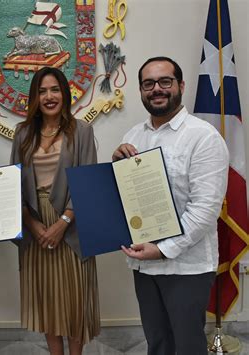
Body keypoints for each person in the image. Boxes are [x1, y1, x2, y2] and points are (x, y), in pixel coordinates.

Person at [112, 57, 229, 355]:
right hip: (144, 263)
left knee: (187, 346)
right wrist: (116, 168)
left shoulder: (203, 137)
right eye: (148, 84)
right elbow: (127, 198)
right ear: (140, 91)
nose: (157, 89)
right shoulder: (133, 137)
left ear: (180, 86)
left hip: (186, 266)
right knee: (158, 344)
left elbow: (205, 211)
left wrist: (163, 248)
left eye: (165, 81)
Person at [10, 67, 100, 355]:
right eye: (42, 91)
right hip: (35, 224)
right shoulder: (22, 132)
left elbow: (88, 183)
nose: (49, 96)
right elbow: (14, 183)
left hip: (72, 226)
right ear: (34, 96)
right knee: (48, 301)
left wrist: (63, 222)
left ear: (65, 93)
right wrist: (31, 224)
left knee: (74, 303)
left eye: (55, 89)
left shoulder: (82, 131)